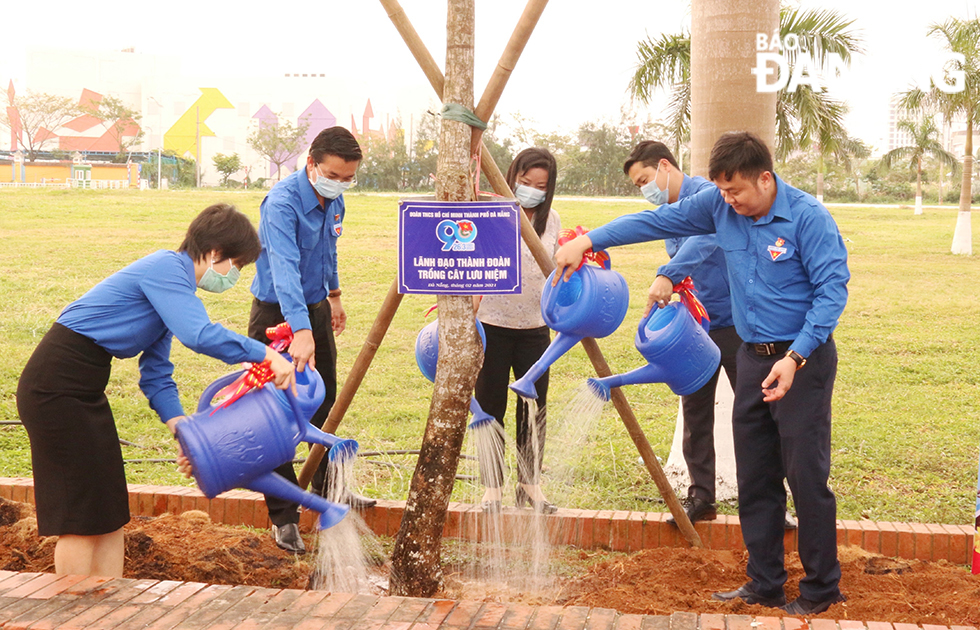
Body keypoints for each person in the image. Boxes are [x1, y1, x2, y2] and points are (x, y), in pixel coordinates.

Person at [554, 132, 849, 616]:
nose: (728, 202)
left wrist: (794, 358)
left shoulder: (807, 218)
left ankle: (820, 588)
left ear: (765, 178)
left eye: (736, 192)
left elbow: (831, 293)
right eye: (722, 192)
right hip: (753, 357)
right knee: (756, 476)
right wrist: (587, 240)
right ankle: (765, 582)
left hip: (801, 362)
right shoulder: (717, 206)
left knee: (805, 475)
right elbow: (651, 222)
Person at [17, 203, 296, 578]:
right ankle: (73, 610)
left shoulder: (174, 288)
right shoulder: (166, 269)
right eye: (237, 265)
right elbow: (198, 335)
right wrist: (265, 354)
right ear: (215, 254)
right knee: (80, 513)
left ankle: (109, 602)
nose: (235, 276)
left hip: (83, 387)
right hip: (55, 387)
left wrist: (185, 433)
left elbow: (156, 376)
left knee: (108, 510)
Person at [249, 126, 374, 555]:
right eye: (333, 175)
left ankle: (330, 493)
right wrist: (300, 330)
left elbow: (328, 252)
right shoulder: (282, 203)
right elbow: (284, 268)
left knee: (324, 402)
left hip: (315, 312)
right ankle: (284, 518)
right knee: (279, 415)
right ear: (311, 163)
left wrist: (334, 298)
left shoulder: (334, 201)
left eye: (348, 178)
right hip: (277, 318)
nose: (339, 184)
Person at [623, 141, 740, 525]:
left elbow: (706, 239)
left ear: (664, 166)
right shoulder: (669, 213)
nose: (645, 189)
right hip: (698, 327)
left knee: (757, 415)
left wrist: (667, 274)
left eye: (644, 179)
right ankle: (702, 497)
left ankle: (771, 503)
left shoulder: (709, 195)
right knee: (695, 411)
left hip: (738, 324)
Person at [473, 148, 562, 514]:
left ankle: (530, 486)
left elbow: (554, 268)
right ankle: (492, 489)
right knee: (489, 407)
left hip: (535, 329)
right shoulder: (493, 215)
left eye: (540, 185)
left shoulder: (551, 219)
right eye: (524, 183)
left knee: (533, 408)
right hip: (492, 325)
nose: (531, 191)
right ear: (511, 178)